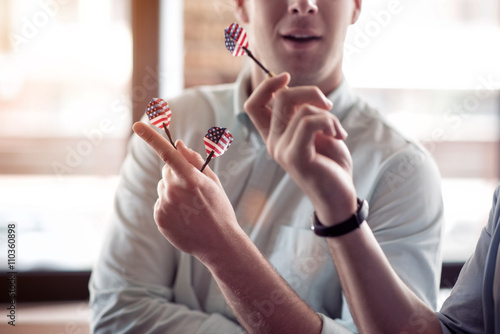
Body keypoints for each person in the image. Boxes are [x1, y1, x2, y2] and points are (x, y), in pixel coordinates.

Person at [89, 0, 445, 333]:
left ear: (355, 4)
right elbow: (119, 313)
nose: (302, 3)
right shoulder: (172, 129)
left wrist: (222, 248)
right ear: (241, 4)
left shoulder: (402, 170)